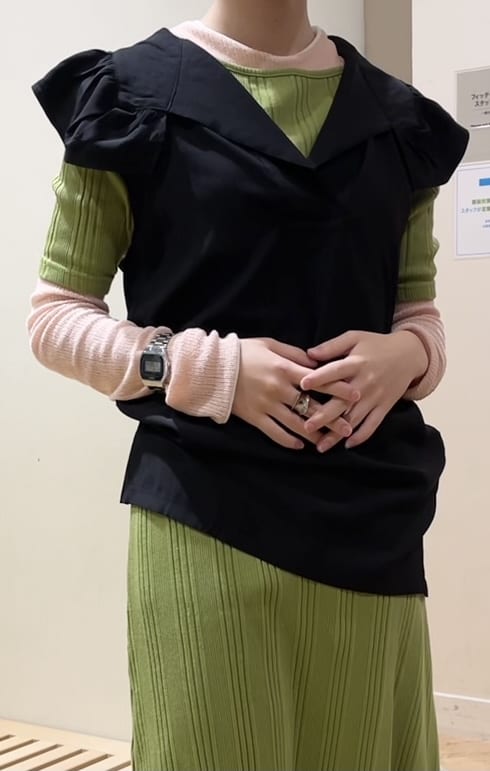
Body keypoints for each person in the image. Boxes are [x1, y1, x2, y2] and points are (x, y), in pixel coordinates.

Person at [29, 1, 468, 769]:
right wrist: (210, 370)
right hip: (206, 517)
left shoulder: (398, 122)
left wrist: (407, 356)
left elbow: (418, 315)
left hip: (373, 521)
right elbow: (57, 318)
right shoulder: (130, 97)